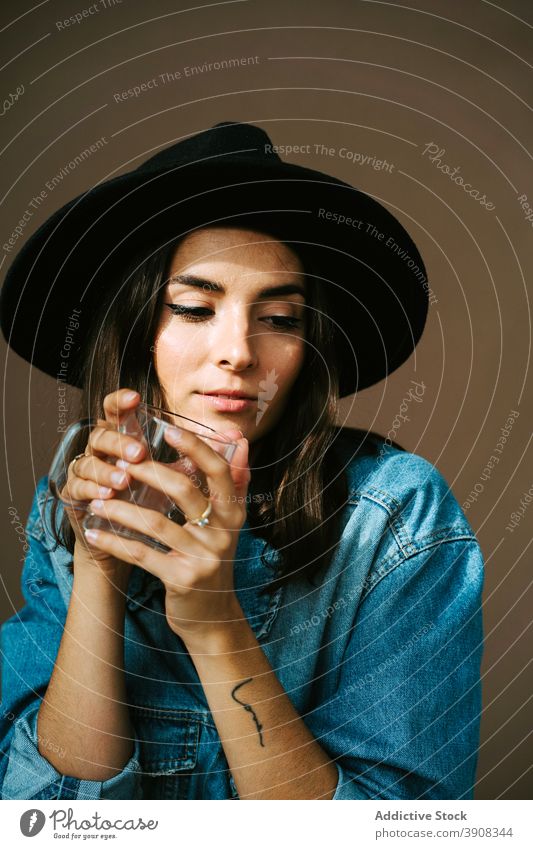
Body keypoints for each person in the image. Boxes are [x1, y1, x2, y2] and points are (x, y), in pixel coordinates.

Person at [0, 121, 484, 800]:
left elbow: (396, 833)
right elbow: (44, 817)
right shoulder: (76, 483)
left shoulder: (396, 514)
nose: (238, 351)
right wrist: (98, 568)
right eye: (196, 308)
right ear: (139, 332)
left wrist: (212, 618)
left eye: (280, 319)